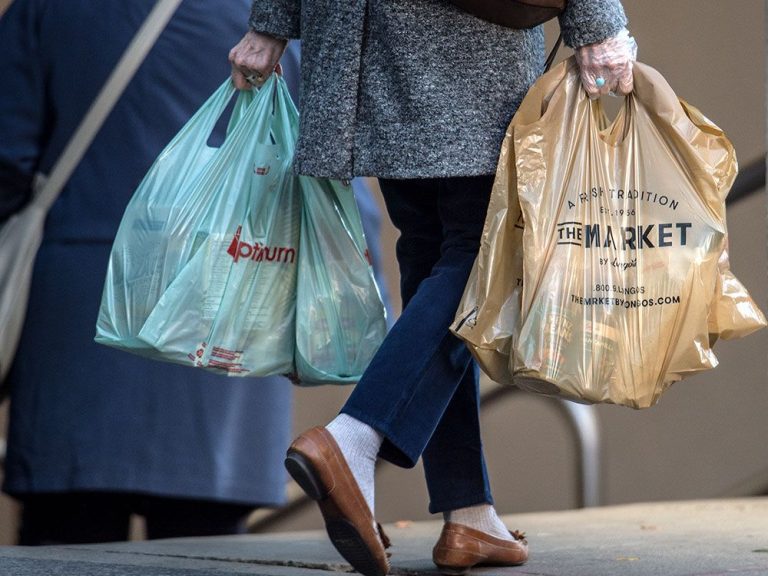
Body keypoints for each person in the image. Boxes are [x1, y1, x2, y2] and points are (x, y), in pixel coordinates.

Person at [229, 2, 636, 574]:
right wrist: (597, 19)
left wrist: (272, 20)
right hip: (469, 41)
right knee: (486, 257)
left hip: (370, 41)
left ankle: (467, 510)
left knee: (433, 259)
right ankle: (352, 438)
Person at [0, 0, 294, 544]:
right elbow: (321, 176)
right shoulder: (274, 15)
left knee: (65, 544)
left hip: (80, 321)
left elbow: (8, 159)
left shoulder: (46, 10)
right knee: (207, 541)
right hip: (223, 324)